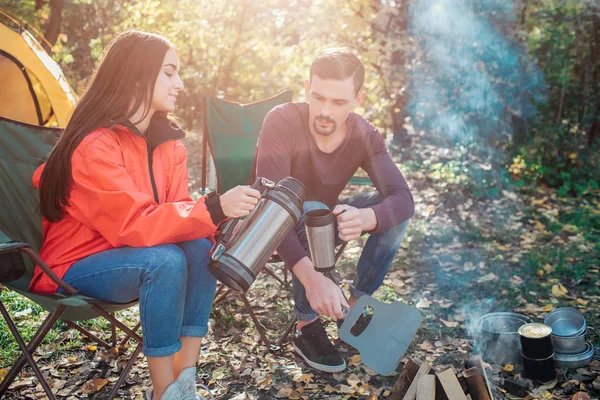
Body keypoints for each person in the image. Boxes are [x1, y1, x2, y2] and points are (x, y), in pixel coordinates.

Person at [33, 31, 261, 400]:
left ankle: (185, 380)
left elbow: (181, 221)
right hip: (76, 264)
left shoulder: (170, 146)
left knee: (199, 248)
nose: (180, 84)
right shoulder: (95, 146)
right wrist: (215, 206)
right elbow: (133, 225)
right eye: (170, 73)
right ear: (139, 76)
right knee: (165, 262)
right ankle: (164, 392)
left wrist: (226, 224)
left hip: (133, 254)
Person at [255, 48, 415, 373]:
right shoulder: (282, 120)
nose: (325, 111)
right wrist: (313, 281)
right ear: (306, 88)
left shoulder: (365, 134)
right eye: (319, 97)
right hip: (270, 227)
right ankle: (306, 325)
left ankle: (356, 304)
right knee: (314, 209)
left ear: (358, 99)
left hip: (323, 226)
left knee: (391, 213)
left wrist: (367, 218)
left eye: (339, 102)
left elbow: (403, 198)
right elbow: (269, 210)